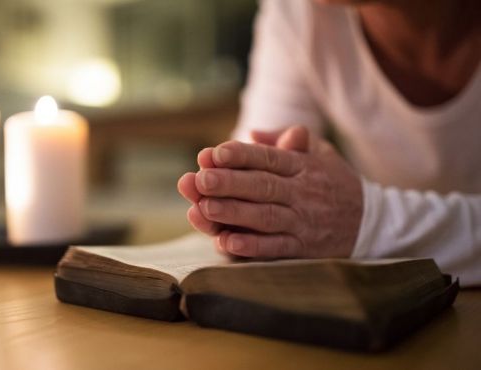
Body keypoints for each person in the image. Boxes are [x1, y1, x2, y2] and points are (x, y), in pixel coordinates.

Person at [177, 0, 481, 286]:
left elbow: (348, 224)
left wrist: (370, 221)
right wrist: (251, 210)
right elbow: (261, 185)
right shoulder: (299, 10)